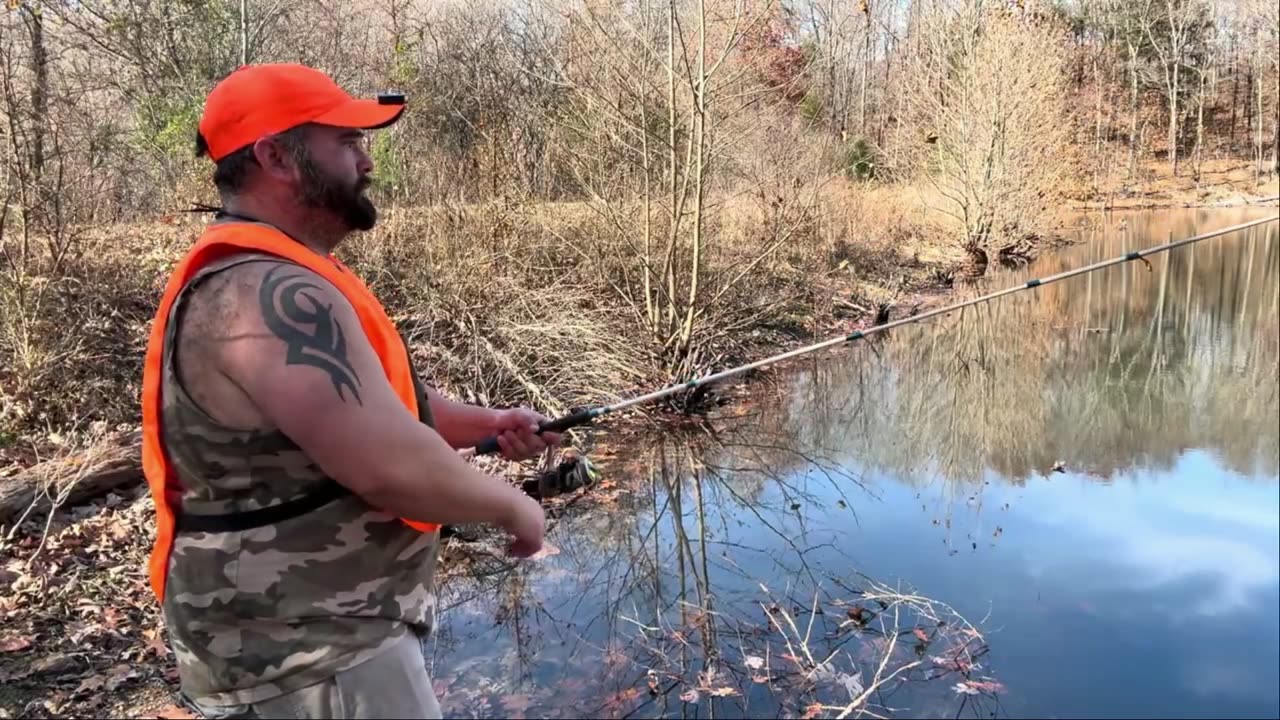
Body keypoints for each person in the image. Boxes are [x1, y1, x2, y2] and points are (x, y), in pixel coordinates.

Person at [139, 63, 559, 719]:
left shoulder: (286, 273)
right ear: (276, 156)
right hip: (303, 655)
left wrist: (489, 423)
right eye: (347, 141)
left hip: (331, 636)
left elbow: (383, 411)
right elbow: (389, 466)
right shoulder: (263, 295)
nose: (366, 161)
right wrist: (516, 510)